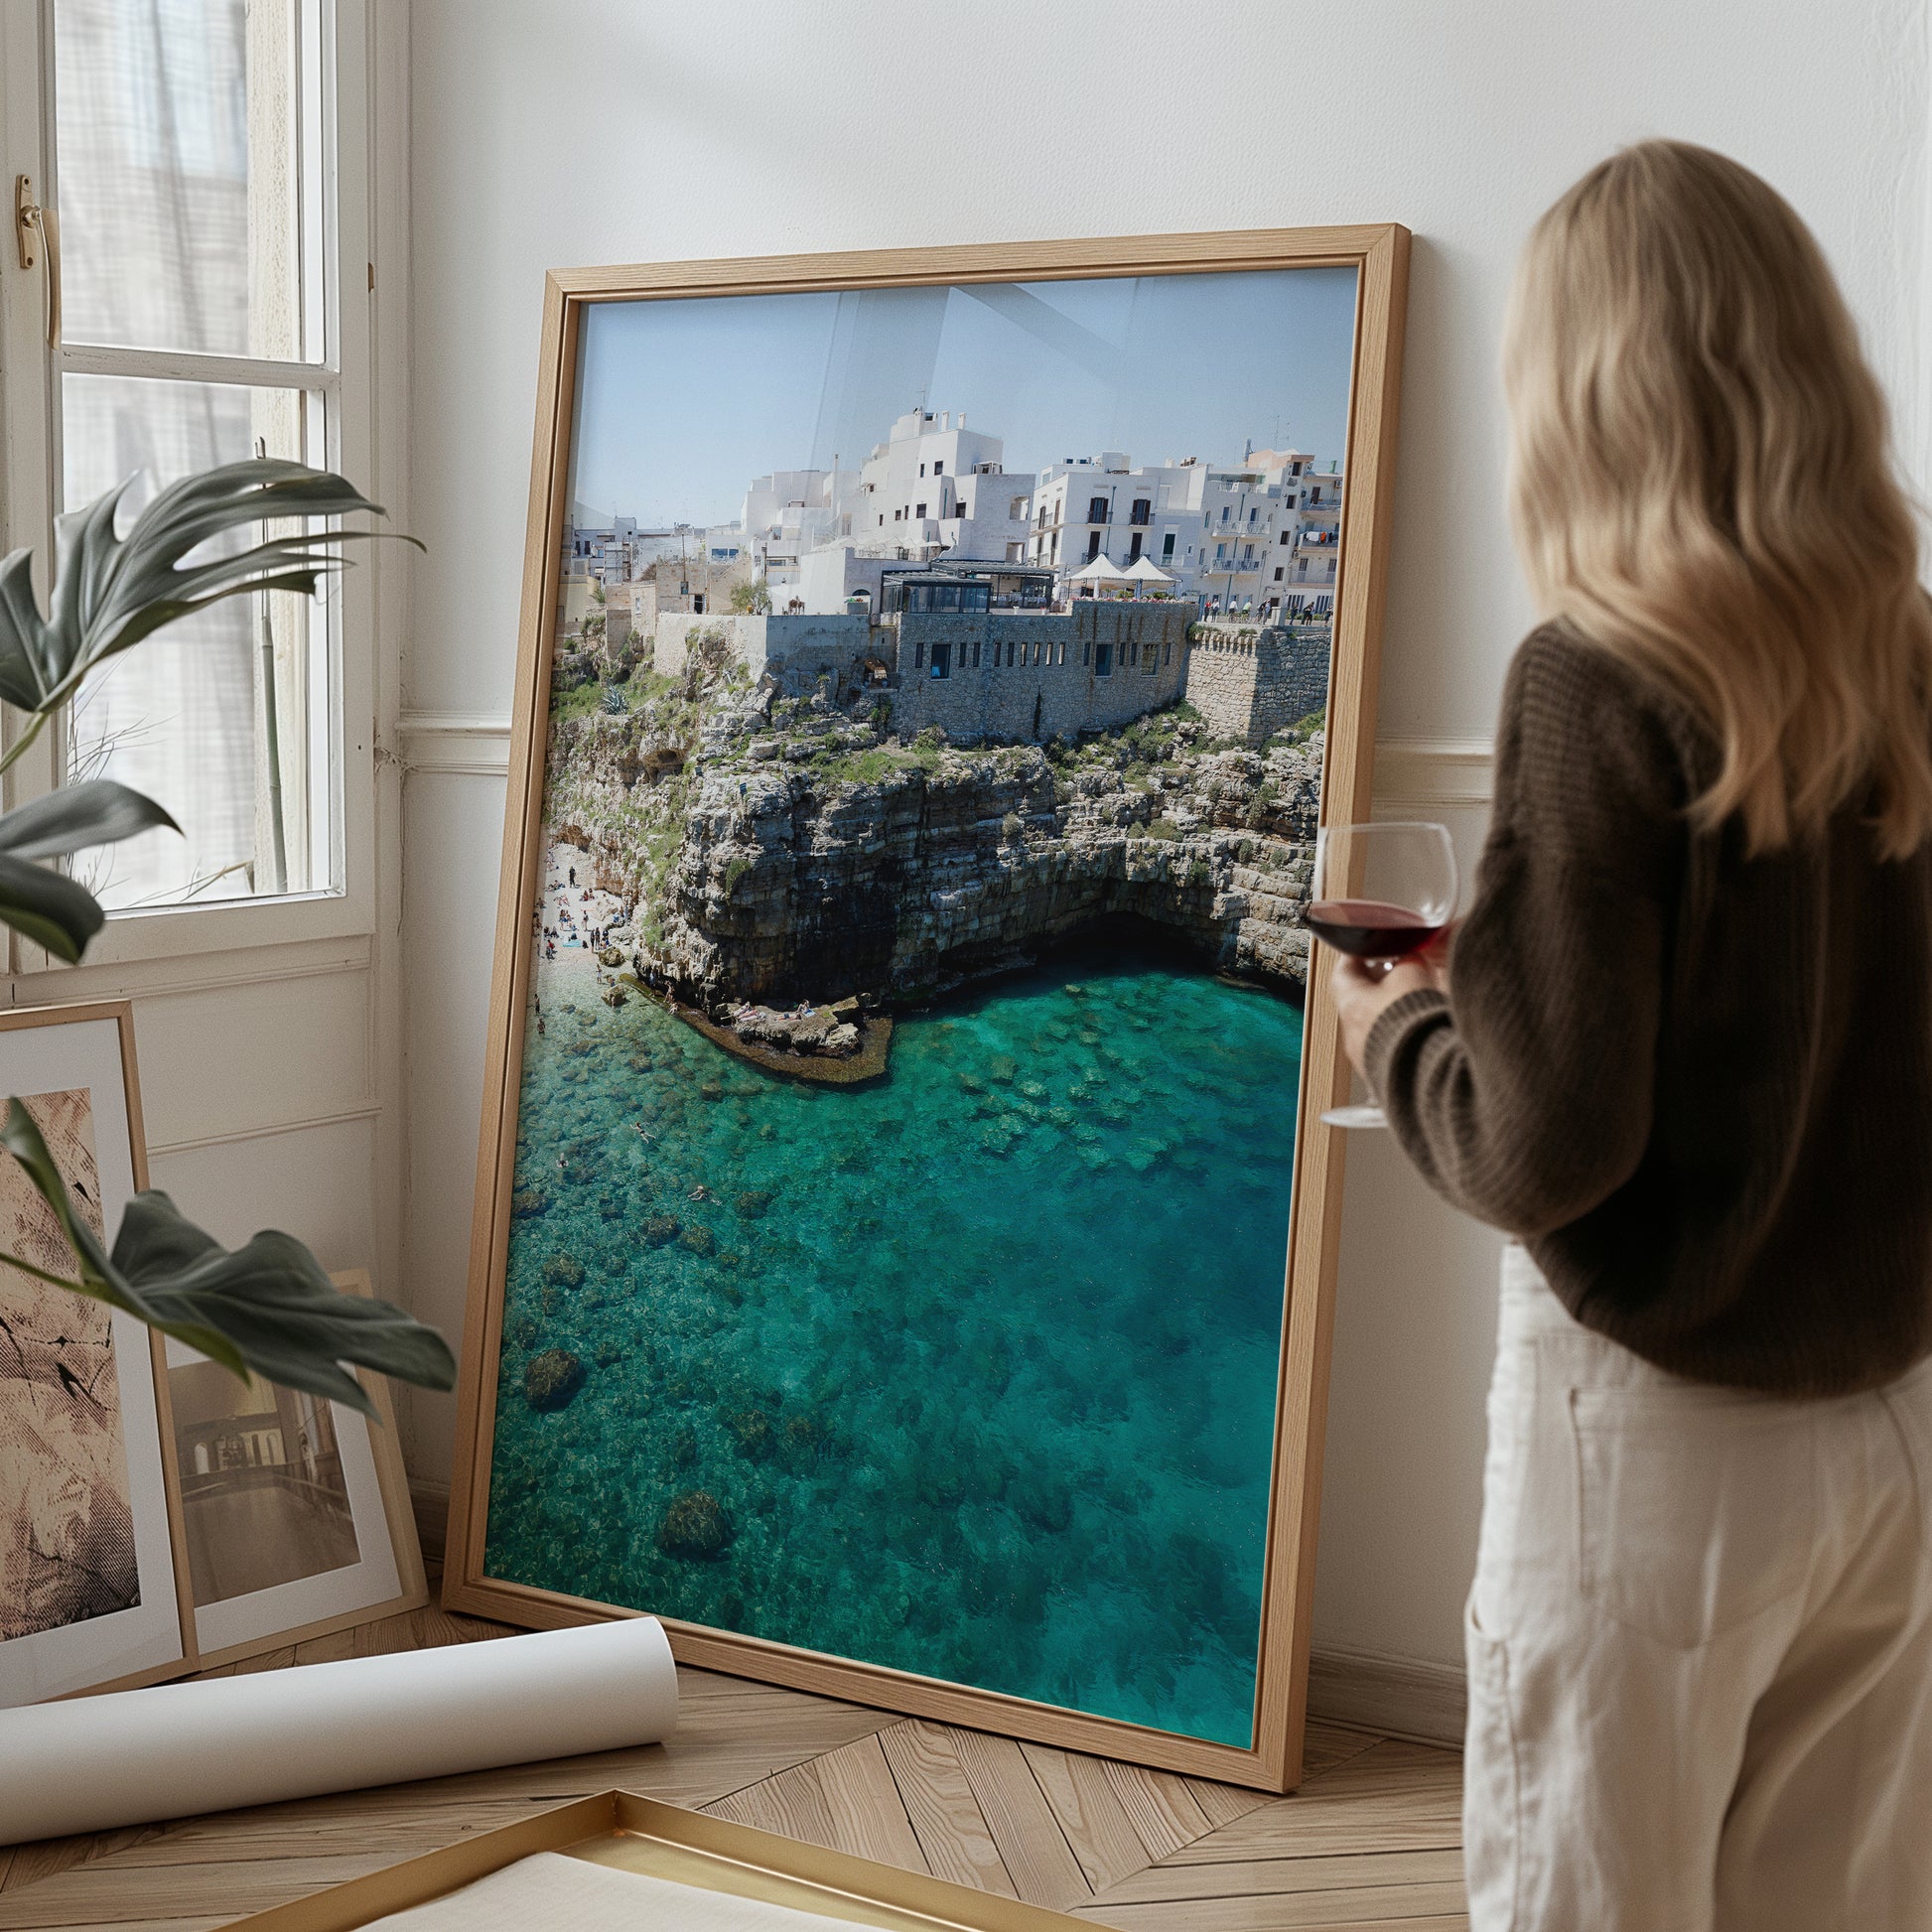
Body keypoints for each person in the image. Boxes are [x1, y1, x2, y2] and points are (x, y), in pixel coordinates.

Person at [1332, 141, 1932, 1931]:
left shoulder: (1593, 674)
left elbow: (1546, 1143)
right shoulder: (1907, 656)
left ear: (1577, 392)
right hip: (1892, 1414)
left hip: (1653, 1433)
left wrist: (1397, 1031)